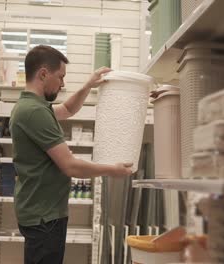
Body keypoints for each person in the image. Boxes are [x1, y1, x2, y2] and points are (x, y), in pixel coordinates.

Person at [9, 45, 133, 264]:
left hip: (41, 212)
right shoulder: (34, 111)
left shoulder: (33, 106)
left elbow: (67, 110)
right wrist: (112, 170)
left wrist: (88, 85)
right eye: (60, 77)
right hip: (44, 217)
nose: (63, 83)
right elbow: (70, 166)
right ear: (43, 74)